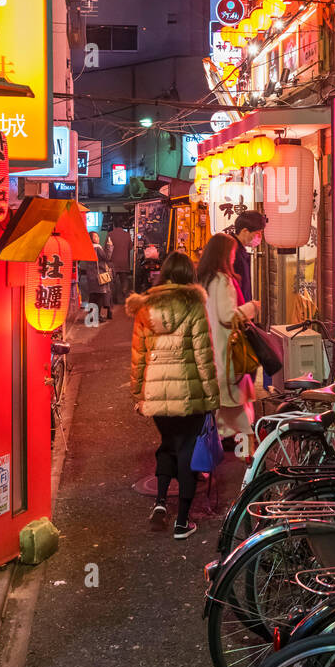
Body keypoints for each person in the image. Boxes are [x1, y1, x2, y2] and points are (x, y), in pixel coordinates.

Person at [127, 251, 220, 539]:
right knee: (186, 452)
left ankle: (159, 505)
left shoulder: (146, 308)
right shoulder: (194, 306)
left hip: (156, 396)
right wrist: (213, 397)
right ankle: (182, 521)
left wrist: (138, 394)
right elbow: (204, 357)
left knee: (166, 445)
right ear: (188, 275)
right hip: (189, 395)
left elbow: (138, 356)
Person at [197, 232, 258, 458]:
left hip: (210, 351)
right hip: (227, 354)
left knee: (219, 411)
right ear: (224, 255)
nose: (234, 258)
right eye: (232, 254)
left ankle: (212, 451)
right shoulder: (222, 280)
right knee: (240, 410)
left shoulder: (204, 279)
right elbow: (227, 315)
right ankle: (247, 458)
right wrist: (252, 307)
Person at [229, 210, 267, 307]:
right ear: (245, 231)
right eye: (258, 233)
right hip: (236, 312)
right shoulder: (232, 252)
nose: (260, 237)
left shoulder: (240, 250)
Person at [106, 221, 133, 304]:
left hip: (113, 262)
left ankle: (114, 299)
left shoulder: (110, 234)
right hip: (124, 262)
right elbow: (130, 247)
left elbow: (107, 247)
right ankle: (124, 297)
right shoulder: (127, 235)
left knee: (112, 282)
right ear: (122, 225)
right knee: (124, 280)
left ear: (114, 225)